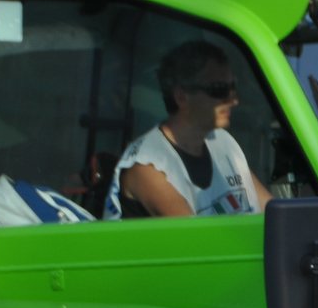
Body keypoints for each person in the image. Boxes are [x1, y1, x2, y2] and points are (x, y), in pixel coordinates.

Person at [105, 41, 272, 219]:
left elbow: (273, 213)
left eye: (232, 88)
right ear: (181, 96)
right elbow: (197, 240)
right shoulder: (149, 167)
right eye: (219, 89)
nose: (233, 100)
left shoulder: (224, 143)